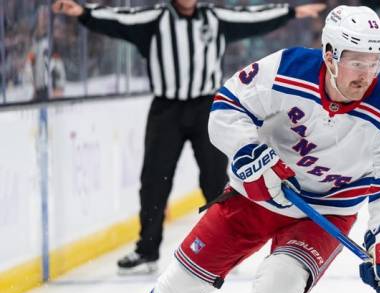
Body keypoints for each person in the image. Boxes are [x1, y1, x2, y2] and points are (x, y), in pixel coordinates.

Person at [93, 5, 380, 293]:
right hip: (256, 196)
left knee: (280, 285)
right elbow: (227, 106)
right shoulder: (288, 68)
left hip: (326, 211)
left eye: (375, 62)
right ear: (330, 54)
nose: (366, 74)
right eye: (357, 61)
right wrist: (251, 153)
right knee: (183, 283)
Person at [52, 0, 326, 274]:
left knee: (215, 179)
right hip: (166, 110)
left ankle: (223, 247)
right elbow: (120, 19)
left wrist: (290, 12)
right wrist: (84, 13)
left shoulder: (215, 17)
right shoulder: (155, 18)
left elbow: (252, 17)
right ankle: (147, 251)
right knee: (154, 180)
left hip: (206, 108)